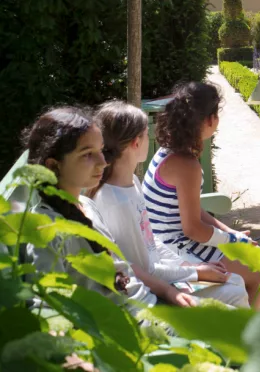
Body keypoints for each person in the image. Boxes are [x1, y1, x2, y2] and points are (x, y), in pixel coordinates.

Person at [89, 101, 249, 308]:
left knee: (235, 282)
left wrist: (189, 265)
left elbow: (150, 241)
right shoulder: (116, 202)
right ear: (136, 143)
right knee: (235, 291)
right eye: (147, 134)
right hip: (150, 292)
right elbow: (143, 269)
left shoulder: (130, 183)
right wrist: (194, 272)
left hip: (164, 274)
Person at [143, 82, 260, 309]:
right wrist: (234, 241)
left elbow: (193, 210)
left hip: (167, 242)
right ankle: (245, 336)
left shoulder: (168, 150)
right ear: (210, 120)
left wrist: (230, 233)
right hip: (175, 250)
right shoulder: (187, 165)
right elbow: (193, 229)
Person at [23, 107, 158, 316]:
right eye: (87, 154)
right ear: (54, 166)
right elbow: (45, 305)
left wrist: (168, 292)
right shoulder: (47, 230)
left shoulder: (86, 204)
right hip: (133, 326)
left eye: (101, 151)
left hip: (148, 306)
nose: (103, 162)